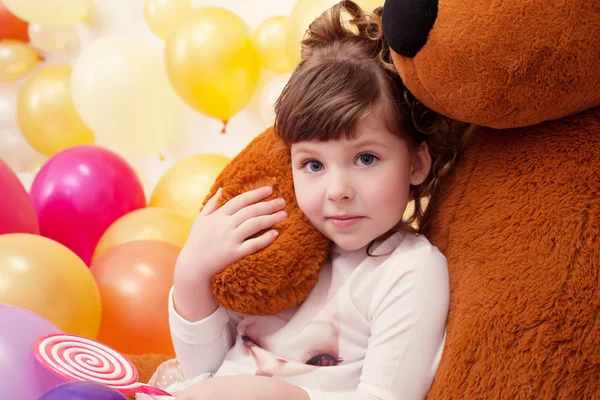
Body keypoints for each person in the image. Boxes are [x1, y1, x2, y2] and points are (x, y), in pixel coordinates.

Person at [151, 1, 466, 399]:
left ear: (416, 163)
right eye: (313, 165)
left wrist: (287, 396)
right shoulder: (276, 241)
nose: (337, 190)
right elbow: (204, 371)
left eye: (366, 158)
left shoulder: (407, 272)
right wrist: (191, 276)